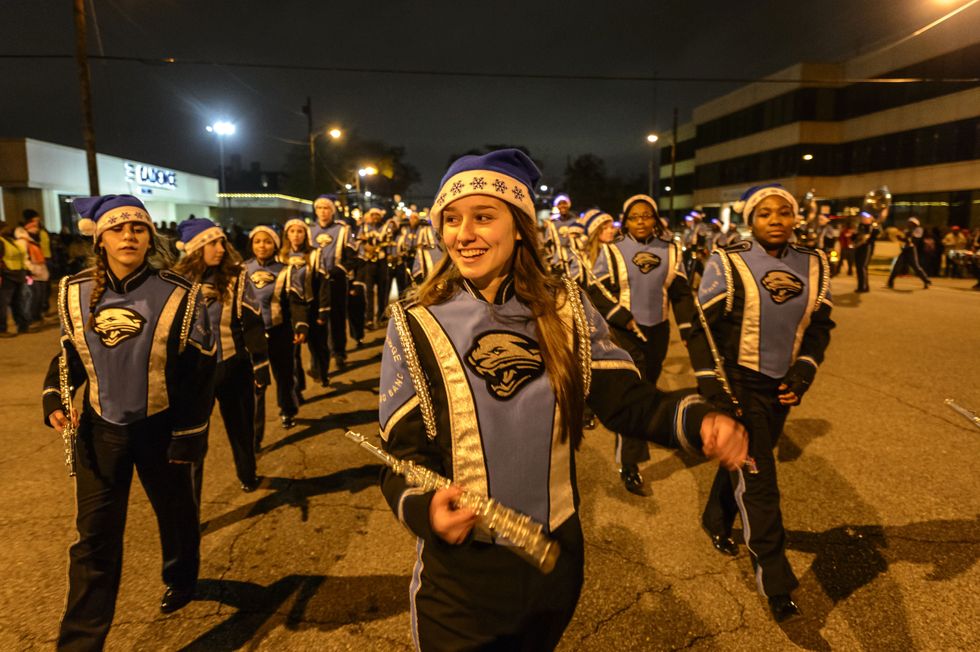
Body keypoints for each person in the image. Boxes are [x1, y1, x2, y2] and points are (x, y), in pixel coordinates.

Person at [377, 149, 748, 650]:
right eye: (451, 220)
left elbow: (627, 403)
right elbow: (400, 458)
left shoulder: (565, 308)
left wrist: (698, 419)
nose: (463, 234)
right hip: (461, 577)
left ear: (521, 227)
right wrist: (426, 510)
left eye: (483, 217)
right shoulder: (414, 321)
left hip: (554, 565)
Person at [41, 195, 216, 649]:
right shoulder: (73, 291)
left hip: (162, 428)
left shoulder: (180, 292)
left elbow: (201, 373)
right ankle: (80, 642)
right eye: (118, 229)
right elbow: (69, 356)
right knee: (94, 540)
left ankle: (182, 575)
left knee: (176, 515)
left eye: (138, 228)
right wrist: (55, 395)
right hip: (100, 432)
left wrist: (189, 437)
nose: (129, 236)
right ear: (99, 239)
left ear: (149, 237)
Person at [691, 184, 834, 622]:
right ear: (750, 220)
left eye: (784, 213)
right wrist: (715, 389)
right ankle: (775, 580)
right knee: (761, 484)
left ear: (795, 219)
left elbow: (820, 326)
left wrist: (804, 371)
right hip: (739, 385)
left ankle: (716, 518)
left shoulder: (814, 263)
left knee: (750, 460)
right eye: (765, 213)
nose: (776, 220)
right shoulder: (729, 261)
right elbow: (700, 326)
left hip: (781, 387)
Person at [585, 195, 715, 496]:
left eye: (647, 216)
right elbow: (596, 289)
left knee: (649, 388)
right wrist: (620, 314)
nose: (641, 221)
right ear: (625, 221)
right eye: (634, 217)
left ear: (655, 219)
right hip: (625, 331)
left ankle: (640, 437)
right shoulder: (612, 251)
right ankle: (629, 463)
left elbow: (681, 293)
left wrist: (687, 329)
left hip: (658, 331)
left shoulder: (670, 250)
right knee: (637, 393)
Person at [173, 217, 268, 493]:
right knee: (193, 442)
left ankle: (248, 475)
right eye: (212, 243)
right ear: (195, 248)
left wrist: (260, 364)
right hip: (194, 374)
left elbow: (252, 321)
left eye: (222, 242)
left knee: (241, 429)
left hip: (234, 366)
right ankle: (190, 512)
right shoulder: (176, 282)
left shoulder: (237, 276)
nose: (221, 248)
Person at [245, 226, 305, 440]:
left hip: (279, 332)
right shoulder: (241, 270)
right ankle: (254, 434)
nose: (262, 246)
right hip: (252, 336)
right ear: (251, 245)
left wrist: (300, 325)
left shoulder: (287, 270)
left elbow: (296, 302)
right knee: (256, 384)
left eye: (268, 241)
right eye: (258, 241)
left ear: (275, 245)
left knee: (284, 376)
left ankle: (287, 410)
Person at [311, 195, 356, 372]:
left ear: (332, 211)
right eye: (319, 208)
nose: (323, 212)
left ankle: (339, 353)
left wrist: (339, 270)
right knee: (318, 320)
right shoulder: (308, 230)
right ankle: (320, 360)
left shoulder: (343, 230)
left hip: (336, 281)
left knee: (337, 318)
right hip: (315, 284)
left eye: (326, 208)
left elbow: (355, 258)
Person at [280, 219, 317, 398]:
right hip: (286, 309)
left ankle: (319, 369)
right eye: (292, 231)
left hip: (307, 305)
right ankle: (297, 389)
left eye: (300, 231)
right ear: (287, 234)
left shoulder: (312, 255)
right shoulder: (279, 257)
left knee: (314, 343)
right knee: (291, 353)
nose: (296, 235)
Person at [0, 221, 33, 336]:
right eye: (6, 227)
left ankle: (22, 326)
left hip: (17, 275)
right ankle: (2, 329)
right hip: (6, 276)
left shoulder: (9, 240)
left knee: (18, 302)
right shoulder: (1, 241)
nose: (9, 229)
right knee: (3, 304)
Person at [22, 209, 52, 321]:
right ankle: (33, 316)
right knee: (34, 294)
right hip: (32, 271)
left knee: (42, 292)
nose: (36, 225)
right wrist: (31, 269)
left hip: (42, 266)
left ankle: (39, 313)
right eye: (34, 222)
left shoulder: (40, 234)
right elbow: (25, 257)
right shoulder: (25, 240)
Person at [887, 217, 930, 289]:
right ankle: (890, 282)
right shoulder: (907, 230)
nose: (909, 224)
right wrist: (900, 238)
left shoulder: (918, 230)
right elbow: (905, 239)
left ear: (915, 224)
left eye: (911, 223)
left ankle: (926, 281)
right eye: (909, 223)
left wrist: (905, 237)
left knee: (916, 267)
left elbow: (914, 239)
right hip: (905, 250)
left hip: (911, 250)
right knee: (897, 266)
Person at [543, 194, 580, 275]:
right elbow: (547, 244)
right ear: (557, 206)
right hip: (558, 260)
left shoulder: (576, 222)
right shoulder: (552, 224)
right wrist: (550, 259)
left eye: (565, 203)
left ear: (568, 205)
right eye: (560, 204)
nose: (563, 206)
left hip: (574, 259)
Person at [852, 211, 882, 293]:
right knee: (858, 268)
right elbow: (853, 238)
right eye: (862, 218)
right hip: (858, 247)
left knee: (863, 267)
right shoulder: (859, 227)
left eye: (864, 218)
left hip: (867, 248)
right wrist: (854, 235)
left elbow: (876, 234)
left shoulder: (872, 227)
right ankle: (860, 286)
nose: (862, 219)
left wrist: (874, 224)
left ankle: (865, 287)